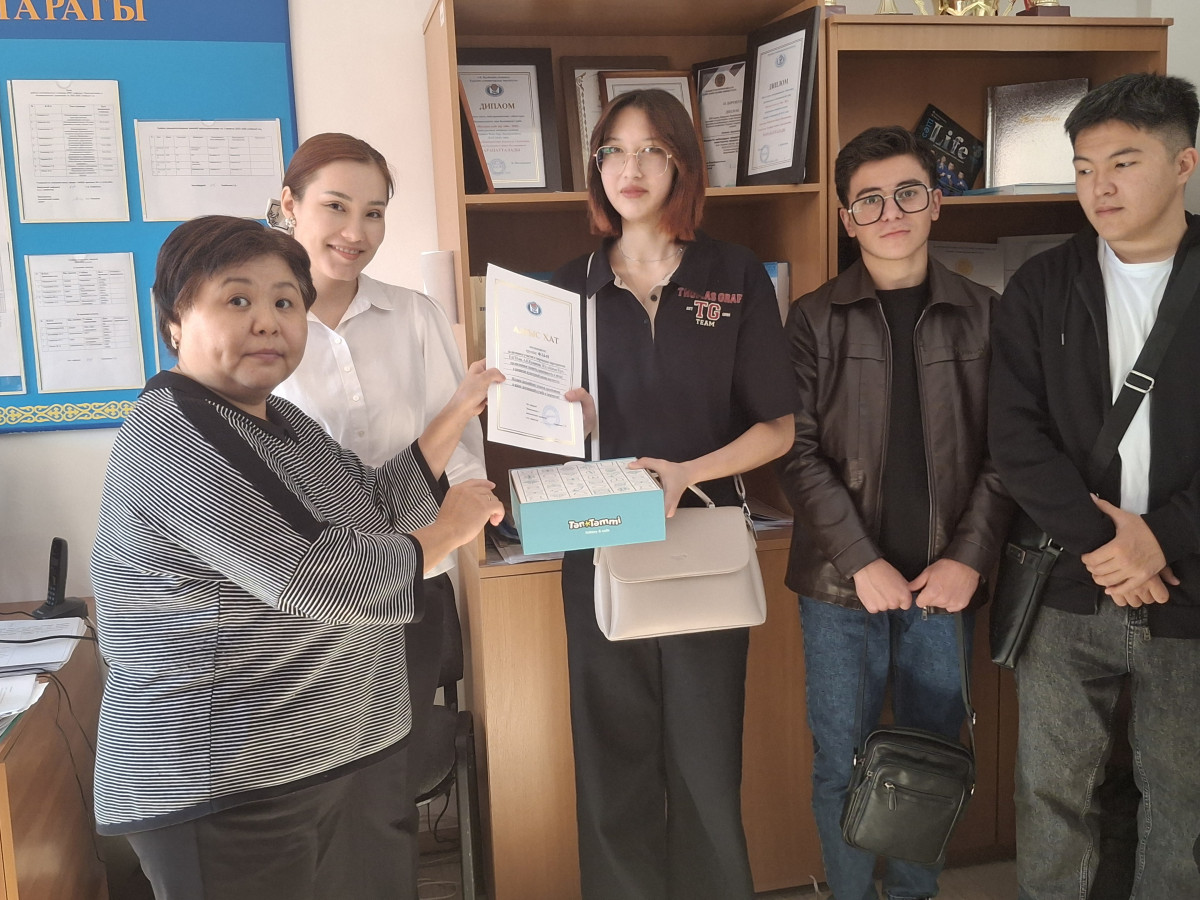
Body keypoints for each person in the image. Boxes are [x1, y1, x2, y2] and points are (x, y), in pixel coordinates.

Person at [90, 215, 504, 900]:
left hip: (314, 758)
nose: (268, 321)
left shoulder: (280, 421)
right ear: (174, 321)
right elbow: (315, 576)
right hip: (224, 783)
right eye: (237, 299)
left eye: (286, 302)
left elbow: (371, 505)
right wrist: (444, 535)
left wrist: (459, 410)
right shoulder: (174, 433)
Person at [548, 89, 794, 900]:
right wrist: (572, 420)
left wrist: (689, 472)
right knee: (611, 758)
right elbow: (542, 429)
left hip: (703, 538)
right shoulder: (568, 288)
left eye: (652, 149)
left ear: (682, 163)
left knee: (705, 756)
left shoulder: (735, 274)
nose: (631, 167)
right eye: (613, 151)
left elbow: (778, 428)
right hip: (597, 537)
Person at [781, 125, 1011, 900]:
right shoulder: (813, 319)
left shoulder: (988, 314)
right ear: (846, 219)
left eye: (907, 193)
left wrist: (969, 558)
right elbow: (795, 453)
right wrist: (861, 560)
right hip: (841, 590)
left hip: (946, 586)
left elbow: (1010, 453)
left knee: (931, 762)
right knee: (841, 758)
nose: (891, 213)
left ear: (936, 202)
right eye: (870, 201)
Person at [988, 72, 1200, 899]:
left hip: (1188, 584)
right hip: (1068, 582)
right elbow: (1015, 438)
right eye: (1082, 168)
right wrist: (1112, 545)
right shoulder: (1041, 284)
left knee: (1183, 802)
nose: (1099, 188)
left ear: (1184, 163)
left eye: (1123, 163)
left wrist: (1160, 539)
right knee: (1051, 797)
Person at [271, 133, 486, 821]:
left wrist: (467, 512)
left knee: (392, 793)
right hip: (301, 605)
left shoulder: (413, 315)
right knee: (316, 799)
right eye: (336, 206)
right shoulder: (262, 331)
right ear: (289, 205)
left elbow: (463, 448)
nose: (356, 232)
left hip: (412, 585)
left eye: (374, 213)